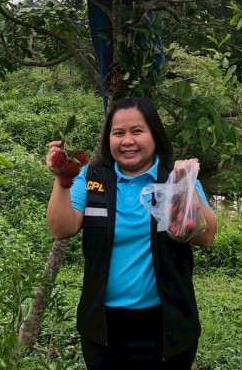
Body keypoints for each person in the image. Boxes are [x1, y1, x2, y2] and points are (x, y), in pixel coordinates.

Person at [46, 97, 217, 370]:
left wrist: (185, 186)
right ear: (108, 139)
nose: (127, 141)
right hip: (103, 328)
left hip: (167, 327)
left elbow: (205, 237)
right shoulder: (92, 178)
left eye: (137, 131)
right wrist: (60, 177)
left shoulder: (174, 176)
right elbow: (61, 229)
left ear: (155, 135)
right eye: (118, 133)